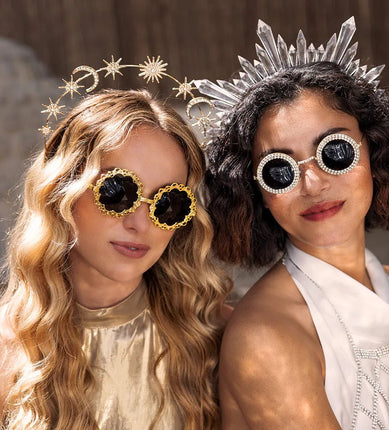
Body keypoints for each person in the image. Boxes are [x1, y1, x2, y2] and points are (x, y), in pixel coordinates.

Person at [195, 17, 389, 429]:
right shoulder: (266, 333)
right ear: (255, 192)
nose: (313, 183)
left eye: (335, 151)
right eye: (279, 171)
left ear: (374, 151)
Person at [0, 57, 231, 430]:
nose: (141, 223)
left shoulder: (215, 335)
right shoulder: (7, 348)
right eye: (117, 192)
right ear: (62, 190)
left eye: (168, 203)